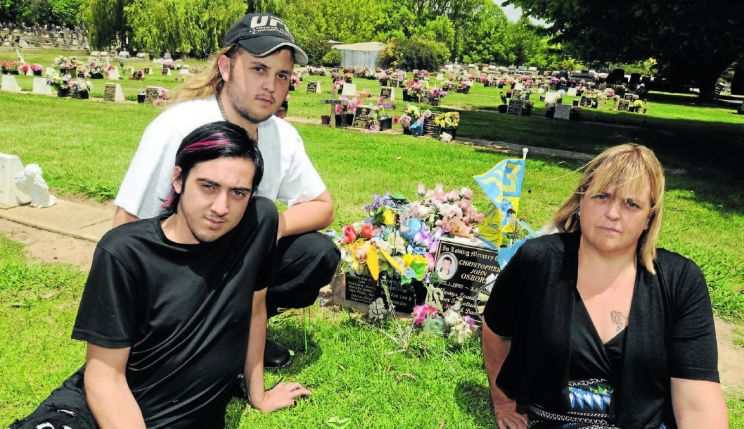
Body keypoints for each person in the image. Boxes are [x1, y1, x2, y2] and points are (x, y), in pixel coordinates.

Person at [11, 122, 311, 429]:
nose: (221, 207)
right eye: (208, 186)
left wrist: (258, 395)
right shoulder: (125, 253)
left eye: (238, 193)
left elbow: (256, 307)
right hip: (106, 404)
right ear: (179, 179)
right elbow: (105, 378)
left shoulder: (258, 222)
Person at [111, 13, 339, 368]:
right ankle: (187, 338)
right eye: (258, 69)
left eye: (282, 75)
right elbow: (126, 224)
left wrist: (265, 229)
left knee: (316, 253)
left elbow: (323, 206)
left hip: (236, 264)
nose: (271, 86)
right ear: (226, 67)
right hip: (180, 267)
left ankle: (241, 332)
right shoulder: (178, 126)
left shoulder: (282, 135)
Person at [482, 144, 727, 429]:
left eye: (631, 204)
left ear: (648, 218)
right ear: (581, 201)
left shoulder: (680, 281)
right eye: (602, 196)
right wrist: (503, 401)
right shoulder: (539, 261)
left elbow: (698, 402)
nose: (613, 213)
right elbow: (496, 329)